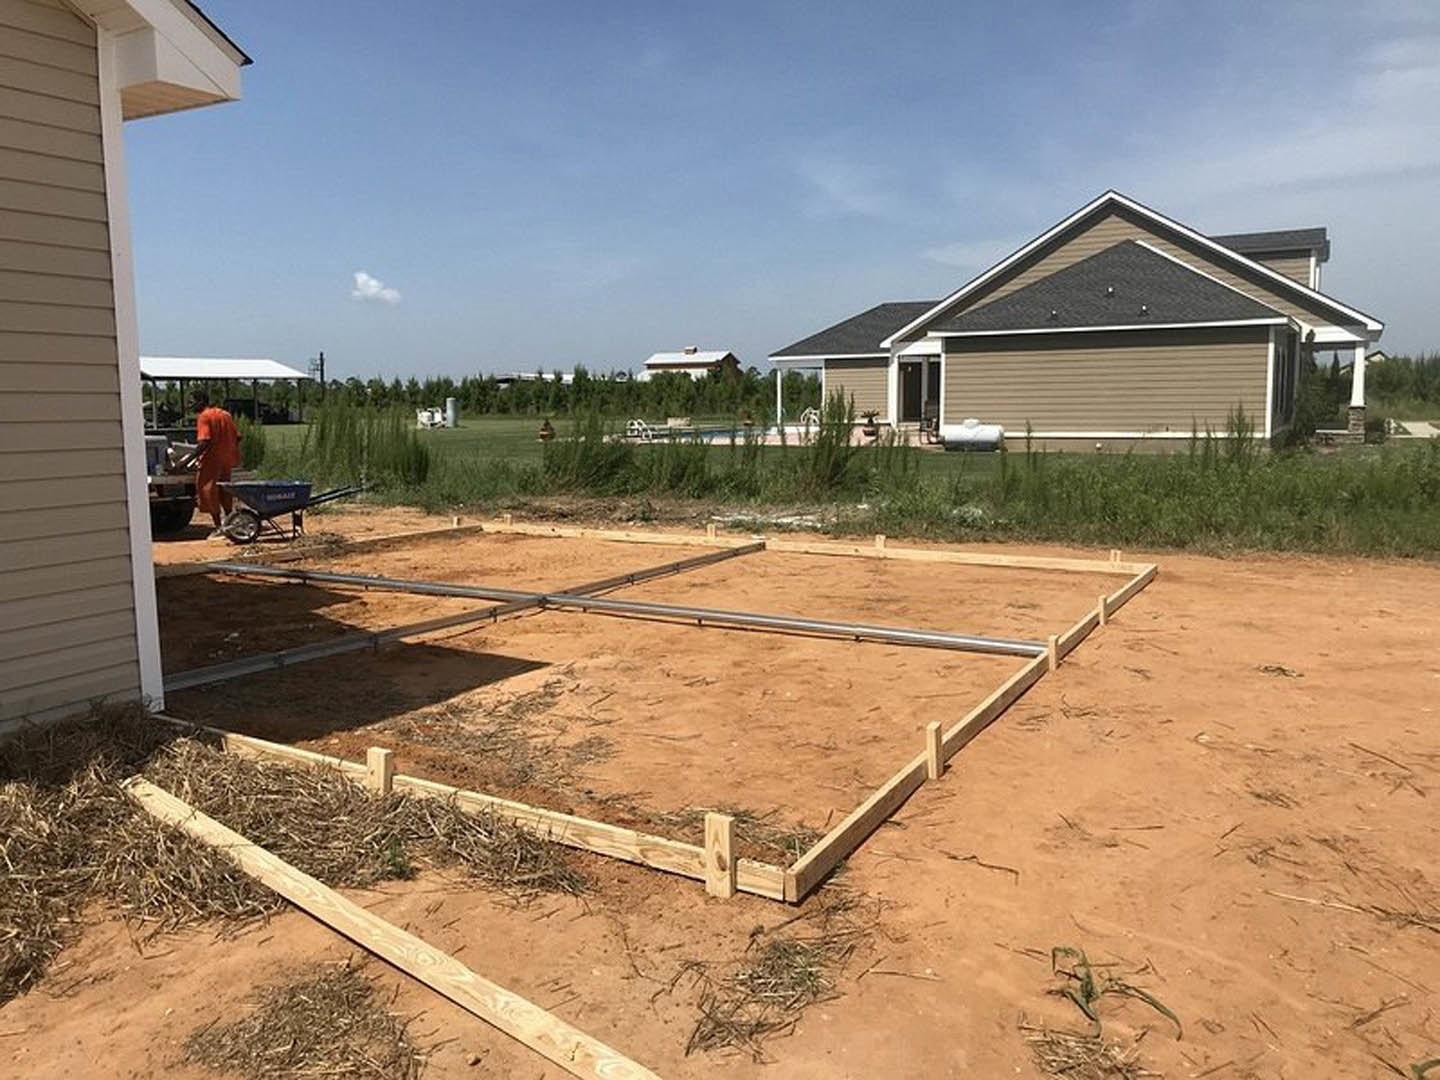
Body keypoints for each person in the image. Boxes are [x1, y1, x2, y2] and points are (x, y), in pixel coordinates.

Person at [186, 389, 241, 537]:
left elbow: (205, 441)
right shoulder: (225, 415)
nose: (190, 406)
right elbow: (238, 437)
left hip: (211, 461)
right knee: (225, 491)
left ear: (200, 401)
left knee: (208, 491)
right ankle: (230, 522)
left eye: (191, 402)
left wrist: (186, 460)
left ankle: (219, 527)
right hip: (226, 460)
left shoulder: (204, 417)